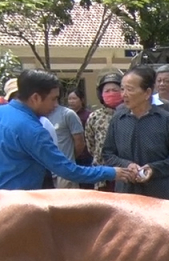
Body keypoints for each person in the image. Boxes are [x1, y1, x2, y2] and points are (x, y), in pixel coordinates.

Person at [0, 69, 136, 189]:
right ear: (35, 98)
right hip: (17, 205)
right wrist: (112, 172)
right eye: (53, 99)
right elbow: (68, 171)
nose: (56, 105)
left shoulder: (3, 113)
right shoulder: (32, 130)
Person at [101, 66, 169, 200]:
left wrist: (154, 169)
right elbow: (108, 153)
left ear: (147, 93)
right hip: (126, 193)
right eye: (122, 89)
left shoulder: (165, 119)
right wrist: (126, 166)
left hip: (159, 193)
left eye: (130, 89)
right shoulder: (118, 119)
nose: (124, 94)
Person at [84, 72, 125, 192]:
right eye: (107, 91)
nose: (111, 93)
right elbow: (91, 145)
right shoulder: (95, 117)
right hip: (102, 173)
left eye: (115, 90)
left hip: (125, 172)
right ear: (101, 94)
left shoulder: (130, 114)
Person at [46, 91, 86, 189]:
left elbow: (79, 143)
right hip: (46, 173)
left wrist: (69, 159)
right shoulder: (38, 115)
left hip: (65, 174)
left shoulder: (67, 114)